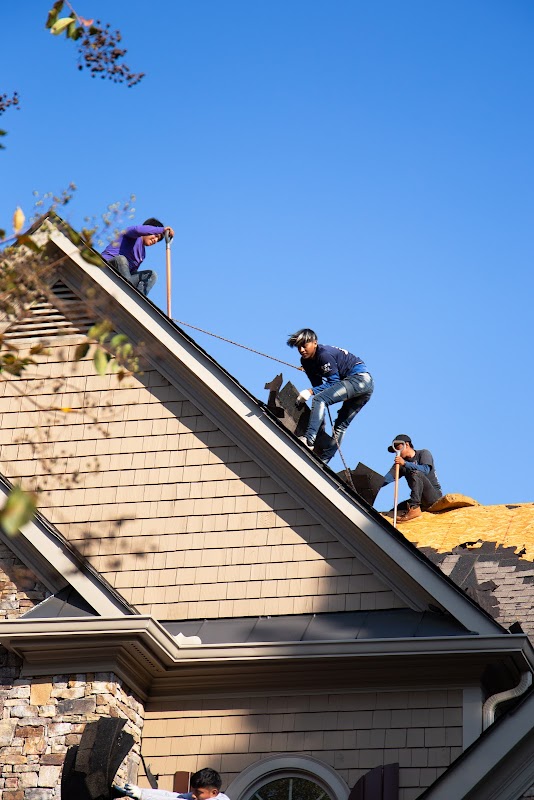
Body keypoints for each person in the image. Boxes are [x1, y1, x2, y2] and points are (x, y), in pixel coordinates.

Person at [287, 328, 373, 464]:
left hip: (360, 380)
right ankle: (323, 462)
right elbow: (318, 385)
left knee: (319, 399)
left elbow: (333, 383)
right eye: (299, 347)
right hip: (364, 385)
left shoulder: (324, 355)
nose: (302, 350)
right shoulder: (306, 361)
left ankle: (309, 440)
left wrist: (309, 392)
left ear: (315, 343)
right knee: (340, 426)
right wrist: (320, 422)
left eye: (304, 345)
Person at [101, 218, 174, 296]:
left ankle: (135, 298)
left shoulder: (142, 254)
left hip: (123, 278)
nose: (155, 240)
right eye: (155, 235)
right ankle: (126, 292)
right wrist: (162, 230)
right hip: (106, 265)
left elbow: (131, 273)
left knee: (151, 274)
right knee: (121, 259)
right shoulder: (132, 234)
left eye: (158, 239)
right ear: (148, 229)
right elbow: (138, 230)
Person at [382, 434, 442, 522]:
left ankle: (414, 508)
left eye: (397, 447)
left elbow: (425, 470)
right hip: (420, 500)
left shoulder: (424, 453)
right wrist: (374, 482)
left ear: (406, 445)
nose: (397, 451)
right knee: (395, 511)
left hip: (433, 498)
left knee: (416, 473)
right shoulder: (400, 464)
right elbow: (387, 479)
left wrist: (405, 464)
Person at [113, 767, 230, 800]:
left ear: (214, 793)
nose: (193, 795)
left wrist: (142, 795)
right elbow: (172, 796)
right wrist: (140, 791)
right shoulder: (198, 797)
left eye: (198, 792)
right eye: (193, 790)